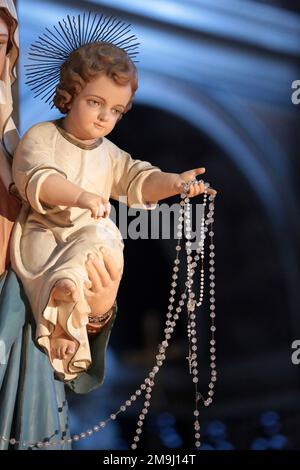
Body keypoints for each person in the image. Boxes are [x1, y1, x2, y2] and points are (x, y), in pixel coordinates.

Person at [11, 40, 217, 382]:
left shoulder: (110, 154)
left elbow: (140, 179)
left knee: (106, 234)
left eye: (117, 110)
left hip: (86, 238)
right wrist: (82, 197)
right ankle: (61, 317)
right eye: (96, 103)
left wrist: (176, 183)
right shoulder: (42, 136)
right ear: (70, 94)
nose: (105, 117)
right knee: (66, 252)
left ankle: (73, 313)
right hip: (45, 233)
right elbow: (39, 178)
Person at [0, 1, 123, 449]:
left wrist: (97, 311)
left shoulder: (13, 155)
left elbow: (136, 178)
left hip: (25, 378)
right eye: (96, 103)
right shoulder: (38, 148)